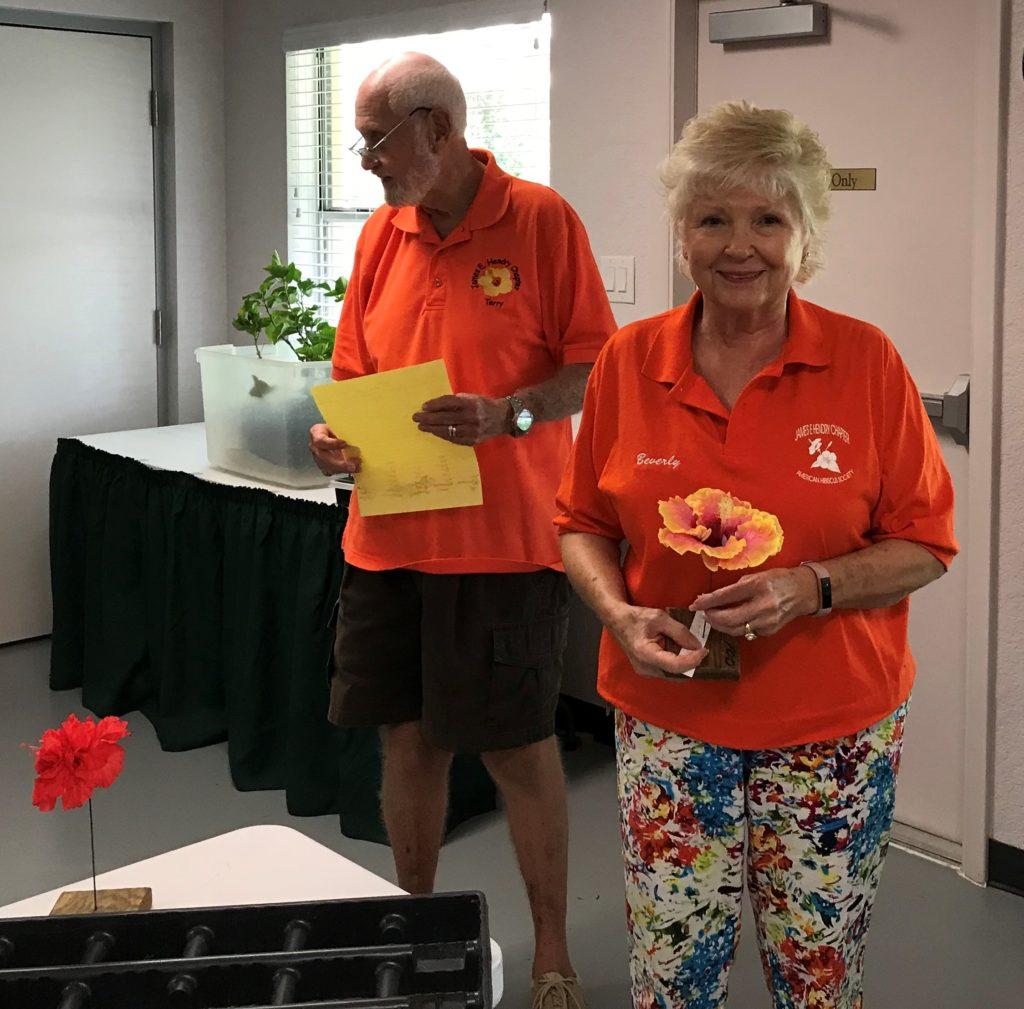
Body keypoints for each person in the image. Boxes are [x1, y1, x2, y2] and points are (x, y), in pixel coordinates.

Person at [555, 100, 957, 1009]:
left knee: (818, 978)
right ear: (682, 235)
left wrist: (811, 587)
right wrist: (616, 611)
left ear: (803, 236)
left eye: (768, 219)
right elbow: (579, 519)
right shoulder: (628, 360)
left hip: (831, 732)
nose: (740, 244)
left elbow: (927, 543)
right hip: (667, 718)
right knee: (671, 977)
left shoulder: (867, 363)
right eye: (713, 218)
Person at [308, 53, 615, 1009]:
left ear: (437, 128)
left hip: (503, 542)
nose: (366, 162)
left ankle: (553, 952)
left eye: (376, 141)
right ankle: (414, 928)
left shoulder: (540, 219)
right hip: (388, 536)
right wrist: (333, 438)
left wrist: (509, 415)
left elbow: (594, 367)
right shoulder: (381, 237)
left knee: (519, 750)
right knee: (407, 742)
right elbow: (353, 374)